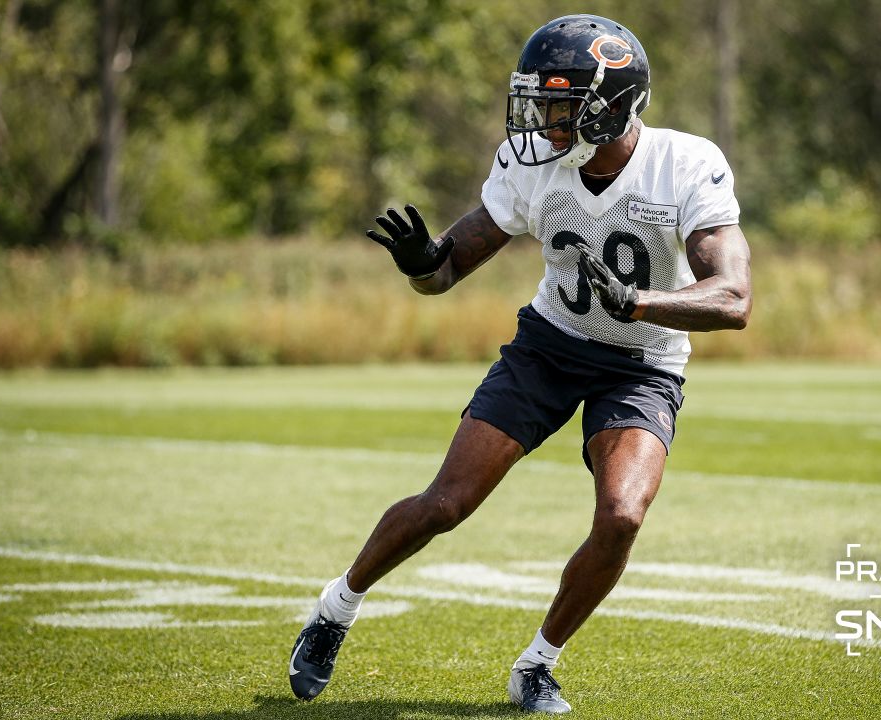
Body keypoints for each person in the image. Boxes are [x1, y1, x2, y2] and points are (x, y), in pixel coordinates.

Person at [288, 14, 751, 714]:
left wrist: (641, 302)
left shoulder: (686, 164)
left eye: (563, 106)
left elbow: (733, 298)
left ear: (613, 103)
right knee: (447, 503)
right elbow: (446, 273)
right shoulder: (534, 164)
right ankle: (334, 609)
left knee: (622, 514)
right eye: (542, 103)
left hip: (642, 362)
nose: (545, 122)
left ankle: (537, 665)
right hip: (549, 347)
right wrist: (420, 266)